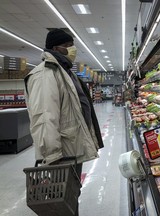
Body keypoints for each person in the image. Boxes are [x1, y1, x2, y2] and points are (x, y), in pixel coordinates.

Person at [24, 29, 104, 215]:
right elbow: (45, 117)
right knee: (60, 200)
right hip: (60, 153)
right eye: (68, 46)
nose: (72, 50)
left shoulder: (65, 71)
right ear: (55, 47)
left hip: (72, 148)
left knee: (70, 196)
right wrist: (52, 156)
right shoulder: (45, 74)